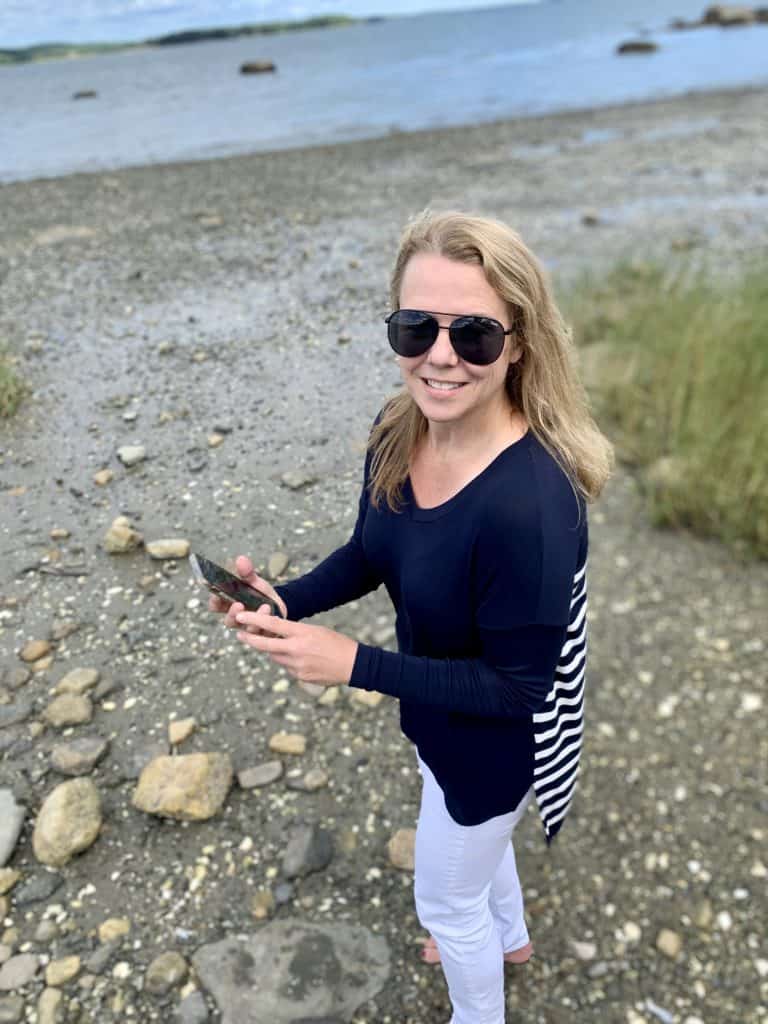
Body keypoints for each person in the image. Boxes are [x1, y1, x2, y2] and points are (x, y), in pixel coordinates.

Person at [209, 209, 613, 1024]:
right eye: (415, 326)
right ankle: (512, 936)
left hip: (495, 749)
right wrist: (288, 600)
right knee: (472, 860)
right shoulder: (402, 427)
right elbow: (372, 551)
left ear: (520, 342)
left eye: (474, 334)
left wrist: (352, 663)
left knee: (446, 899)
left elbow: (518, 691)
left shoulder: (533, 506)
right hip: (437, 722)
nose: (440, 356)